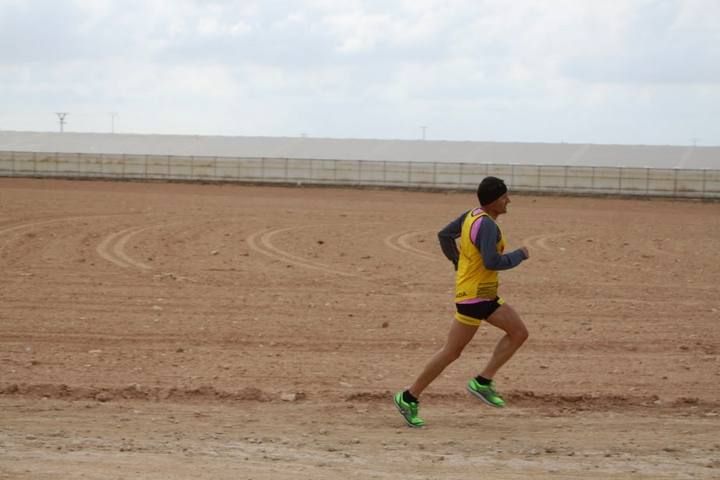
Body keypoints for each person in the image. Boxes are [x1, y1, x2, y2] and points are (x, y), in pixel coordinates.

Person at [393, 176, 530, 428]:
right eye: (504, 197)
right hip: (473, 298)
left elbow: (444, 235)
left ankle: (483, 381)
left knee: (519, 332)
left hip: (484, 293)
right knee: (451, 351)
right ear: (493, 201)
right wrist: (518, 256)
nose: (508, 200)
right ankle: (408, 397)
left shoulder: (472, 215)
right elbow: (492, 262)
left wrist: (457, 261)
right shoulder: (487, 225)